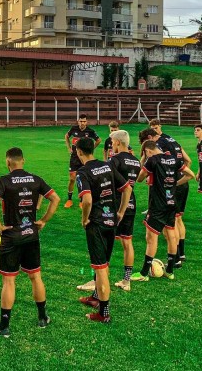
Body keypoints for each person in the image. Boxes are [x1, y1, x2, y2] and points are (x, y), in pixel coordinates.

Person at [0, 147, 60, 337]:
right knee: (35, 276)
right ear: (23, 161)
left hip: (12, 236)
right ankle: (43, 318)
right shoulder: (35, 179)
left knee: (9, 281)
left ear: (7, 162)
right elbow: (55, 199)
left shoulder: (3, 181)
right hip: (31, 234)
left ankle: (4, 326)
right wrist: (43, 220)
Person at [75, 137, 131, 323]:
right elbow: (127, 188)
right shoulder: (107, 165)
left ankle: (104, 313)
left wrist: (85, 219)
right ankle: (96, 297)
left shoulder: (83, 172)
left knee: (100, 268)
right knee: (103, 264)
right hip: (111, 221)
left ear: (79, 152)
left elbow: (88, 200)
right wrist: (121, 212)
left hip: (97, 223)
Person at [132, 140, 195, 282]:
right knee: (171, 234)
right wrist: (175, 184)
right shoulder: (174, 159)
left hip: (157, 205)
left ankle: (143, 273)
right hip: (171, 202)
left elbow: (140, 178)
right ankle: (170, 271)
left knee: (151, 238)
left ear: (148, 151)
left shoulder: (152, 160)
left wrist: (144, 160)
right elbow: (191, 175)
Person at [107, 130, 141, 291]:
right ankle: (126, 281)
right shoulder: (136, 161)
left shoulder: (114, 160)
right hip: (131, 203)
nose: (111, 146)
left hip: (115, 204)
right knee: (127, 242)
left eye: (113, 143)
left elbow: (109, 183)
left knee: (105, 242)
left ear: (118, 143)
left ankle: (98, 280)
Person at [64, 114, 100, 209]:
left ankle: (81, 200)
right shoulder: (73, 129)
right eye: (81, 121)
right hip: (74, 157)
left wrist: (91, 149)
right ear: (78, 121)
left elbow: (98, 140)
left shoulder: (90, 131)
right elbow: (66, 136)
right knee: (72, 178)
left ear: (86, 122)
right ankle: (69, 199)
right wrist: (68, 148)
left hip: (84, 158)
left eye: (84, 121)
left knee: (84, 178)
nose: (82, 123)